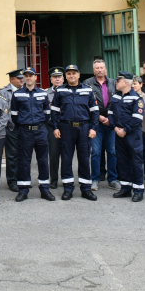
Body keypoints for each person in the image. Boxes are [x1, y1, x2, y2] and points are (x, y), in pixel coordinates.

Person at [51, 64, 98, 201]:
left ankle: (86, 189)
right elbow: (54, 111)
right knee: (66, 159)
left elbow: (94, 111)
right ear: (66, 76)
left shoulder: (88, 90)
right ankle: (68, 189)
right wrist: (55, 127)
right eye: (69, 73)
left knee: (84, 158)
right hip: (66, 128)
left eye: (74, 73)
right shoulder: (60, 91)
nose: (71, 75)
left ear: (78, 75)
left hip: (84, 128)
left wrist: (93, 128)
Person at [10, 67, 56, 202]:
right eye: (26, 76)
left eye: (31, 75)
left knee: (43, 161)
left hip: (41, 130)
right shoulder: (17, 94)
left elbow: (47, 113)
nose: (28, 78)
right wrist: (24, 126)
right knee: (24, 161)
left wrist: (39, 125)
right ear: (24, 78)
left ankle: (45, 190)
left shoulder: (42, 93)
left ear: (36, 77)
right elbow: (14, 115)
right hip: (25, 131)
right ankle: (23, 190)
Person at [108, 72, 145, 202]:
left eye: (118, 80)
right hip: (119, 134)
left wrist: (125, 130)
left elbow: (137, 118)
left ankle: (138, 190)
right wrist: (115, 127)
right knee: (122, 162)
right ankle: (125, 188)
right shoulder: (116, 97)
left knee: (136, 162)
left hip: (132, 136)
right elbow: (110, 113)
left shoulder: (137, 98)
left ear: (126, 83)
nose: (116, 82)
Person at [84, 59, 118, 189]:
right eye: (97, 68)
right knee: (96, 152)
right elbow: (86, 104)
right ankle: (95, 179)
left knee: (112, 151)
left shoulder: (114, 83)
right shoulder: (87, 84)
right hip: (95, 123)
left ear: (106, 69)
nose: (99, 70)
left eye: (101, 67)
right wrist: (99, 117)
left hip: (110, 122)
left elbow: (116, 102)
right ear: (93, 70)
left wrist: (110, 117)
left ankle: (113, 179)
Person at [0, 69, 24, 192]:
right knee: (12, 155)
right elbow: (2, 111)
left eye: (22, 78)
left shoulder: (26, 90)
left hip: (25, 128)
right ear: (11, 79)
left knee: (23, 154)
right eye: (18, 78)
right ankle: (12, 181)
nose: (21, 80)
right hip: (11, 127)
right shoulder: (3, 92)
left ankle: (22, 180)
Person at [43, 67, 63, 189]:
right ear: (51, 79)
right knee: (54, 154)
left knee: (67, 154)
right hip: (51, 127)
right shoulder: (45, 93)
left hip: (66, 126)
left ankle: (67, 178)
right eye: (54, 77)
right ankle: (54, 180)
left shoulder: (68, 91)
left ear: (63, 78)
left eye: (59, 77)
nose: (57, 79)